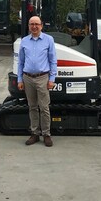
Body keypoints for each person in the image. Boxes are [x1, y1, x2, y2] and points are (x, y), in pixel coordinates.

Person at [17, 15, 57, 147]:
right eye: (31, 24)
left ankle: (46, 134)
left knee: (44, 107)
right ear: (29, 26)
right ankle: (35, 133)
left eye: (36, 24)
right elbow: (20, 62)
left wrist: (52, 79)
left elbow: (53, 61)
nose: (34, 26)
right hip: (27, 78)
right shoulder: (24, 41)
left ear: (41, 25)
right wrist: (19, 80)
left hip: (42, 78)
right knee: (32, 107)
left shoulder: (48, 40)